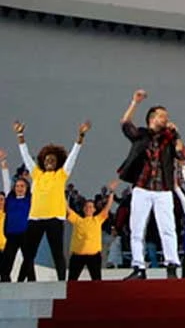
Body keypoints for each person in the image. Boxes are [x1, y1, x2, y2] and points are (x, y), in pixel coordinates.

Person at [117, 89, 185, 280]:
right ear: (153, 118)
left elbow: (181, 154)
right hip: (142, 187)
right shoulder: (142, 135)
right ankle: (139, 267)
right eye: (162, 116)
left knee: (168, 228)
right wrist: (135, 102)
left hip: (163, 189)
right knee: (137, 228)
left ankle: (172, 264)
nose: (166, 119)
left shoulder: (169, 138)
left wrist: (176, 134)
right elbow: (125, 124)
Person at [13, 119, 91, 281]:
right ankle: (20, 282)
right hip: (35, 218)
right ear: (43, 161)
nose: (49, 162)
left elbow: (73, 157)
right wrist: (20, 135)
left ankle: (62, 282)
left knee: (57, 252)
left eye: (53, 160)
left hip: (55, 218)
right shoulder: (36, 174)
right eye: (47, 160)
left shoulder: (61, 175)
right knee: (29, 253)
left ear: (57, 163)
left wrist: (80, 137)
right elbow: (25, 156)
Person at [67, 180, 117, 281]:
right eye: (86, 207)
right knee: (72, 281)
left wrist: (111, 192)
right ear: (83, 209)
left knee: (97, 281)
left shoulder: (97, 219)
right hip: (77, 255)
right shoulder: (77, 219)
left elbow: (107, 207)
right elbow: (66, 208)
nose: (88, 208)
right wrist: (60, 191)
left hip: (94, 256)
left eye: (90, 207)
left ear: (94, 209)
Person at [2, 150, 34, 282]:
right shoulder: (10, 198)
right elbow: (6, 182)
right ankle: (5, 283)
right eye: (17, 186)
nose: (19, 188)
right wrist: (3, 162)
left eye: (22, 186)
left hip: (26, 234)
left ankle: (31, 283)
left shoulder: (30, 199)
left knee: (28, 261)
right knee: (6, 262)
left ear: (26, 188)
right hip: (11, 235)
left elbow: (36, 182)